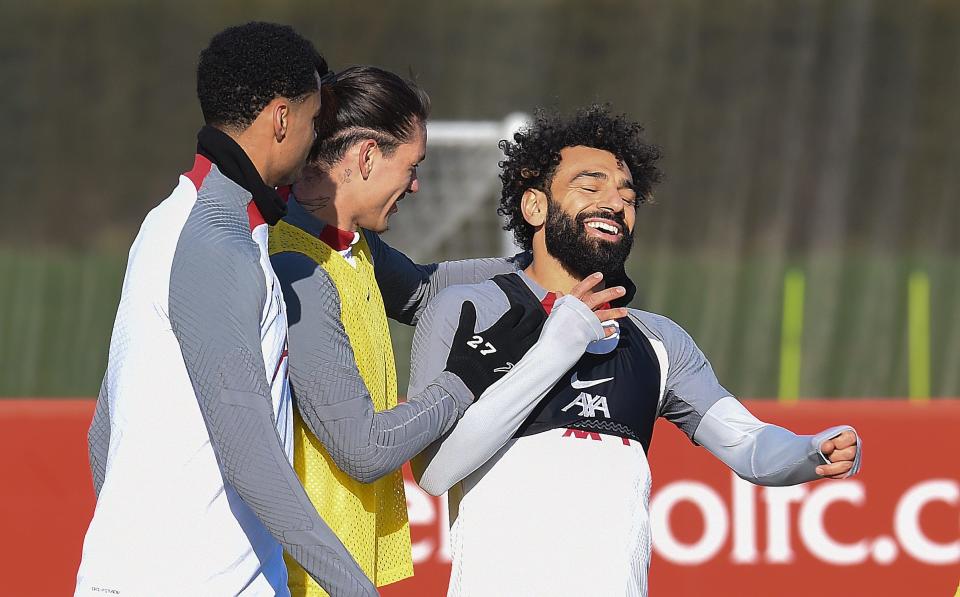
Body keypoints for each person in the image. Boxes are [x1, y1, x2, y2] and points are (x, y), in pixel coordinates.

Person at [408, 105, 863, 597]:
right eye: (590, 186)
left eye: (627, 197)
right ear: (535, 207)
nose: (614, 204)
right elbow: (434, 471)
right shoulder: (466, 307)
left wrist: (807, 452)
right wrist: (557, 346)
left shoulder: (658, 341)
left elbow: (748, 446)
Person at [269, 66, 626, 596]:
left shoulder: (349, 245)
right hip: (301, 575)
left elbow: (422, 288)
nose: (415, 184)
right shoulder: (296, 268)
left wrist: (553, 262)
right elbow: (363, 449)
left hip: (337, 570)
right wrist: (466, 378)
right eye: (411, 166)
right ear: (366, 157)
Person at [76, 23, 380, 596]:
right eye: (315, 122)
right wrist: (354, 587)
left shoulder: (165, 222)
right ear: (282, 119)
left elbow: (103, 433)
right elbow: (253, 461)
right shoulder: (218, 243)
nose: (317, 142)